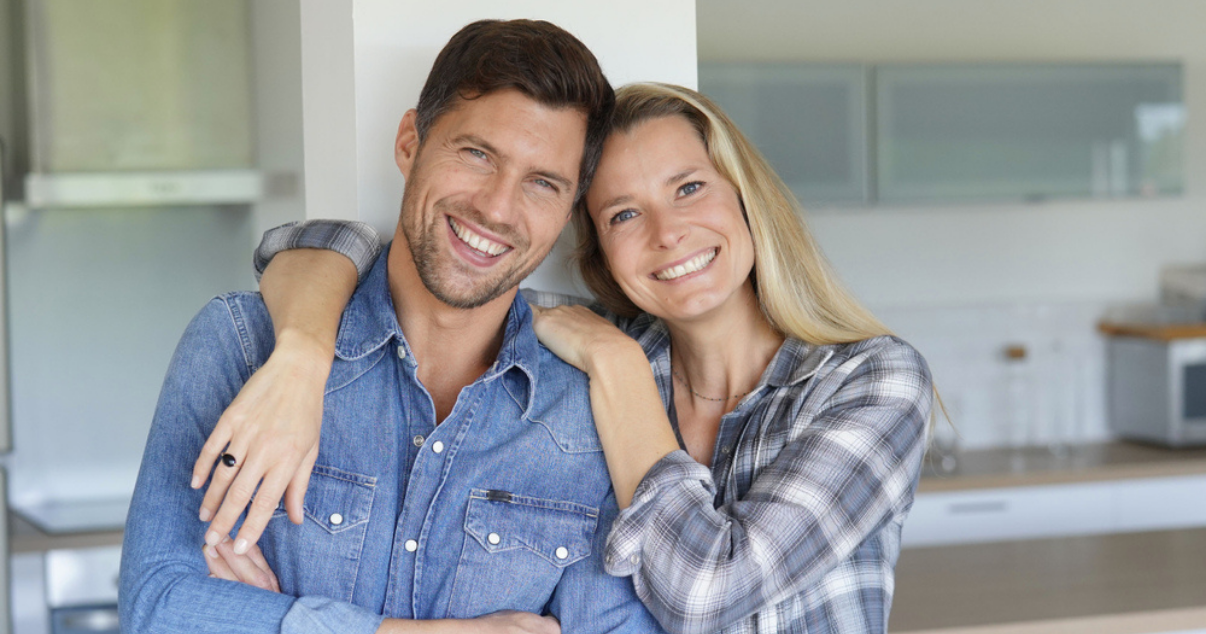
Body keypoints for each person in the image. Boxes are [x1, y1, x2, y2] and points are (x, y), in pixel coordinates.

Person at [200, 83, 935, 633]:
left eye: (688, 189)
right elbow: (345, 252)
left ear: (745, 198)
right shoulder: (578, 354)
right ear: (601, 253)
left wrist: (616, 366)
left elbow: (706, 595)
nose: (668, 233)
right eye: (623, 213)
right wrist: (298, 353)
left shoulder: (869, 381)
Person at [119, 19, 666, 634]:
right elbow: (160, 609)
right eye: (477, 154)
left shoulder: (590, 407)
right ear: (410, 141)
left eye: (542, 184)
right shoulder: (243, 347)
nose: (496, 207)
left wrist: (276, 621)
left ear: (569, 210)